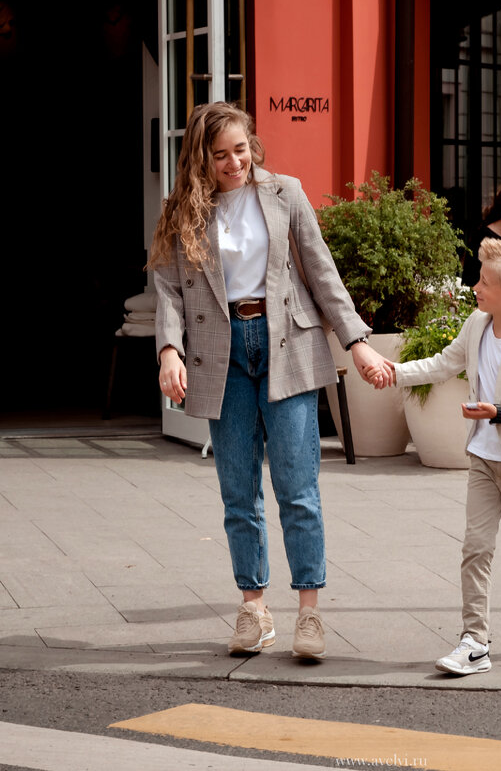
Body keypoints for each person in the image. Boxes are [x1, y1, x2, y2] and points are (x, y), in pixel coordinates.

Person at [151, 102, 393, 660]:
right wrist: (169, 350)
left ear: (251, 145)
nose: (233, 162)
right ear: (200, 159)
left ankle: (309, 615)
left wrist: (356, 343)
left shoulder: (286, 192)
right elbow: (168, 288)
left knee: (298, 488)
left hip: (289, 344)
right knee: (239, 493)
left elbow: (321, 269)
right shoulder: (182, 210)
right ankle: (254, 609)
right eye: (219, 155)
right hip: (222, 352)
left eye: (241, 149)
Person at [374, 238, 501, 675]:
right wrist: (394, 372)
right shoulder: (477, 324)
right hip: (484, 459)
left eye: (484, 282)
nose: (474, 287)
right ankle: (474, 642)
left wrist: (499, 412)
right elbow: (444, 364)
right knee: (476, 549)